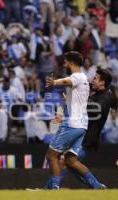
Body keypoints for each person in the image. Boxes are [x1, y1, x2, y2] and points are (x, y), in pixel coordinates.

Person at [44, 51, 105, 189]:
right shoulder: (84, 79)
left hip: (71, 124)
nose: (64, 64)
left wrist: (54, 82)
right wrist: (68, 101)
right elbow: (78, 99)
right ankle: (97, 186)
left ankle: (53, 189)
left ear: (71, 62)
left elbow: (67, 81)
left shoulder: (77, 76)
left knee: (51, 156)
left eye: (65, 61)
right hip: (82, 125)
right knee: (71, 160)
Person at [60, 68, 118, 187]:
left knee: (67, 161)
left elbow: (97, 110)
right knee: (70, 164)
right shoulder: (101, 93)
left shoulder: (105, 97)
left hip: (88, 137)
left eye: (95, 78)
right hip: (82, 135)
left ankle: (50, 188)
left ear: (102, 83)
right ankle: (98, 187)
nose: (93, 80)